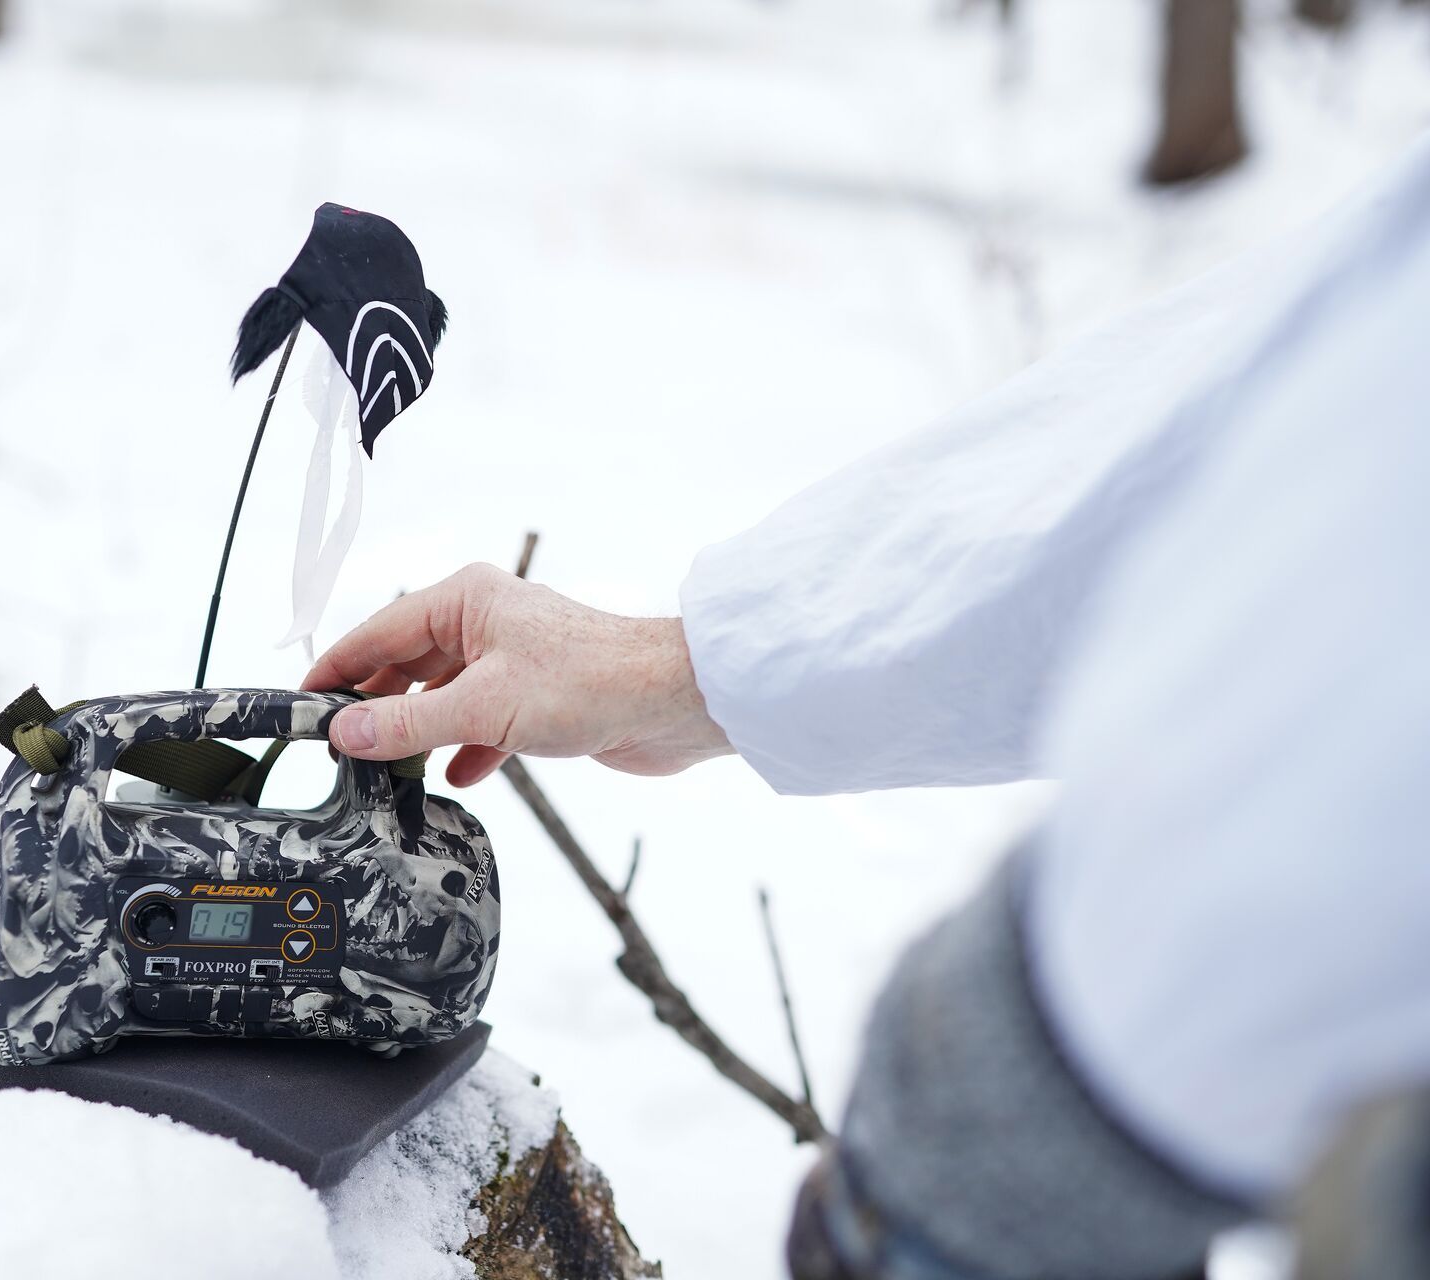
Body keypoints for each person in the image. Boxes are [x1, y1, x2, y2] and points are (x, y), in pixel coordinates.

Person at [302, 136, 1430, 1280]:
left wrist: (1010, 1135)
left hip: (1137, 1056)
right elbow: (1263, 416)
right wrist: (684, 669)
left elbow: (1335, 538)